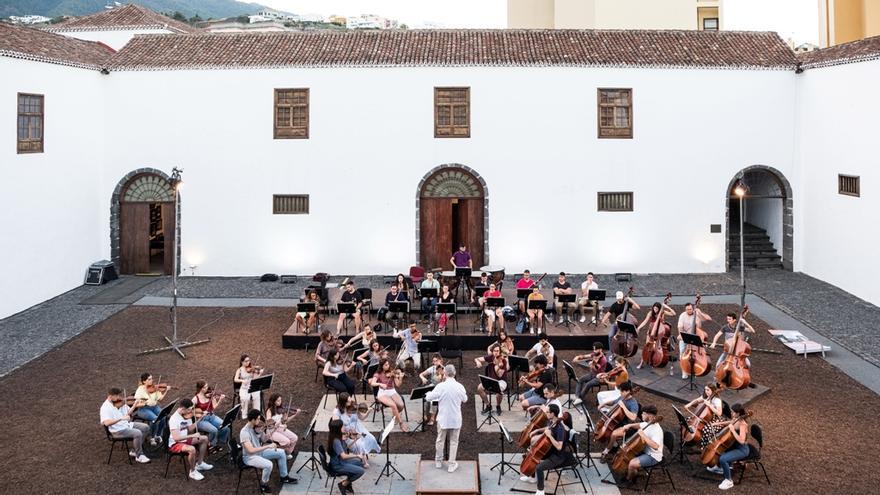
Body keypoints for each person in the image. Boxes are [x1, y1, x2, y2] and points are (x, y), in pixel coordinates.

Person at [519, 404, 575, 495]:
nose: (546, 413)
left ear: (553, 413)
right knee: (531, 454)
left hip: (558, 456)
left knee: (539, 467)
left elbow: (559, 447)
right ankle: (532, 478)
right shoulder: (551, 421)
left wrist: (549, 436)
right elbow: (548, 428)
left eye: (548, 412)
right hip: (550, 450)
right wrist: (537, 430)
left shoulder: (560, 429)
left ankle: (540, 491)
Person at [240, 409, 297, 493]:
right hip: (250, 457)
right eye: (258, 419)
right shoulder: (244, 432)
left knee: (281, 453)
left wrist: (273, 429)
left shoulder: (257, 427)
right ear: (252, 420)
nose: (260, 421)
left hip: (259, 452)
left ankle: (284, 477)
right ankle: (264, 484)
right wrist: (267, 447)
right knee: (269, 465)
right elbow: (251, 450)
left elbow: (263, 439)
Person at [425, 365, 468, 473]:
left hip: (443, 418)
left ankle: (438, 461)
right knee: (454, 442)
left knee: (440, 440)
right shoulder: (460, 386)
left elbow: (429, 397)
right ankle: (451, 464)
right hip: (455, 419)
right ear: (455, 373)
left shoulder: (440, 386)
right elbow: (465, 399)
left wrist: (428, 393)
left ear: (445, 373)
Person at [614, 405, 664, 488]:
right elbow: (639, 425)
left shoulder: (657, 430)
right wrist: (629, 425)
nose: (641, 415)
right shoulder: (647, 423)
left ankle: (629, 480)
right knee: (629, 455)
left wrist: (643, 435)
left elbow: (655, 446)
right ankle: (632, 473)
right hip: (645, 450)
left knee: (632, 464)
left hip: (653, 456)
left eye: (644, 414)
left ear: (650, 416)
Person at [706, 403, 751, 490]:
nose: (731, 413)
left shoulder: (743, 424)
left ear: (738, 413)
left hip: (742, 450)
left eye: (732, 412)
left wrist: (733, 430)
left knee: (723, 459)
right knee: (721, 449)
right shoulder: (736, 418)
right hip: (734, 445)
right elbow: (730, 422)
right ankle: (720, 467)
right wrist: (717, 424)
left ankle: (728, 480)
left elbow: (742, 441)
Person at [100, 388, 151, 464]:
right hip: (117, 430)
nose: (119, 397)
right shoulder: (105, 408)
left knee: (146, 427)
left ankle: (134, 450)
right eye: (117, 396)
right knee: (138, 433)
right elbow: (106, 423)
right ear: (110, 396)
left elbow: (128, 413)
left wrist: (134, 405)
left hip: (126, 425)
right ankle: (139, 455)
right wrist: (120, 418)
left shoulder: (120, 403)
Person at [168, 398, 213, 481]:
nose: (191, 411)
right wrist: (192, 435)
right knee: (192, 449)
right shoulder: (174, 419)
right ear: (183, 409)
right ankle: (192, 471)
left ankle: (199, 463)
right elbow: (176, 438)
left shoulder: (186, 416)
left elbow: (189, 429)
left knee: (205, 439)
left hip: (184, 439)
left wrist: (200, 418)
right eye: (189, 409)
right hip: (175, 443)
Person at [598, 381, 640, 458]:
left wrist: (623, 406)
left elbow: (633, 417)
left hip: (626, 425)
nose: (620, 393)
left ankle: (606, 451)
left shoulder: (633, 403)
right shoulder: (622, 397)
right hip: (616, 421)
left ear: (627, 391)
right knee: (606, 429)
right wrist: (603, 404)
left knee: (613, 434)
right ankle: (614, 445)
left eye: (622, 391)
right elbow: (613, 402)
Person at [369, 358, 408, 432]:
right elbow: (372, 383)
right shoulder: (377, 374)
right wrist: (380, 384)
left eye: (388, 364)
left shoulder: (392, 372)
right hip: (382, 393)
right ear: (382, 366)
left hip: (392, 391)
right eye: (386, 365)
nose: (388, 366)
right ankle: (401, 423)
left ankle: (395, 416)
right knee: (393, 405)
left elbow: (398, 385)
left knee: (401, 405)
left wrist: (400, 378)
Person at [328, 418, 366, 494]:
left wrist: (355, 440)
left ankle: (348, 484)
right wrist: (356, 455)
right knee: (361, 471)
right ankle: (343, 484)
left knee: (360, 464)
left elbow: (346, 448)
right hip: (338, 465)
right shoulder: (336, 441)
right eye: (342, 426)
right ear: (338, 429)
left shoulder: (338, 437)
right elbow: (344, 456)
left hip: (342, 461)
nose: (344, 427)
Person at [635, 301, 676, 369]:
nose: (655, 310)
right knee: (647, 348)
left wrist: (666, 306)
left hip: (660, 333)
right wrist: (638, 328)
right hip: (651, 333)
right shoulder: (650, 313)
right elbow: (645, 321)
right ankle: (641, 362)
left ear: (659, 309)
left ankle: (658, 359)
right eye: (654, 308)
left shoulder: (662, 312)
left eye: (657, 309)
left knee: (666, 343)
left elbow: (673, 313)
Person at [678, 302, 713, 379]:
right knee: (682, 353)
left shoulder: (697, 314)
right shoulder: (682, 315)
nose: (689, 311)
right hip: (686, 336)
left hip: (696, 337)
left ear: (693, 308)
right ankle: (684, 371)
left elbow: (708, 319)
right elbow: (680, 327)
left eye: (690, 309)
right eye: (687, 309)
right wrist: (680, 334)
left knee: (696, 355)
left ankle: (696, 369)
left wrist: (699, 312)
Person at [192, 381, 229, 450]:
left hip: (211, 416)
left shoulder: (210, 395)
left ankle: (219, 441)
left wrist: (220, 399)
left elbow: (214, 407)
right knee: (214, 430)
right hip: (201, 420)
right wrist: (201, 413)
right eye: (205, 387)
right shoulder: (195, 399)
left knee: (225, 426)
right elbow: (190, 411)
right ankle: (212, 445)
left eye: (207, 386)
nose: (207, 388)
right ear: (200, 389)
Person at [685, 383, 724, 449]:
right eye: (705, 389)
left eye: (708, 390)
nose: (706, 391)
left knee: (707, 429)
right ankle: (687, 437)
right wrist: (690, 404)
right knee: (687, 420)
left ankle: (704, 447)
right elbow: (697, 400)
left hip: (714, 419)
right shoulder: (705, 396)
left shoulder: (717, 400)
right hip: (703, 418)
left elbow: (719, 413)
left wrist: (709, 405)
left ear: (713, 390)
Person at [133, 372, 167, 442]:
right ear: (144, 381)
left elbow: (160, 399)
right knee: (155, 419)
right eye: (149, 379)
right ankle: (152, 437)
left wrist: (166, 390)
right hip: (143, 409)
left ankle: (158, 435)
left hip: (154, 407)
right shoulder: (140, 389)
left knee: (163, 416)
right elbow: (136, 404)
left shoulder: (155, 388)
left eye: (151, 379)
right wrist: (144, 403)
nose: (151, 380)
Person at [475, 344, 508, 415]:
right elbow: (477, 358)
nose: (496, 352)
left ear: (500, 351)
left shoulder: (503, 361)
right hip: (491, 379)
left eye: (498, 351)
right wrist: (478, 362)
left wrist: (498, 367)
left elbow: (499, 375)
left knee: (499, 390)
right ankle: (488, 405)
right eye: (494, 351)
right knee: (479, 388)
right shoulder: (491, 357)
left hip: (501, 381)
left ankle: (498, 406)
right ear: (492, 351)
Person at [264, 393, 300, 459]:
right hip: (271, 431)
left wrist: (295, 415)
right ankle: (277, 450)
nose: (280, 402)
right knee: (287, 442)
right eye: (278, 400)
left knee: (294, 438)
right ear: (273, 401)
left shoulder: (281, 409)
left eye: (280, 400)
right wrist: (276, 425)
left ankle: (287, 452)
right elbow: (269, 425)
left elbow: (285, 421)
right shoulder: (269, 411)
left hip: (280, 428)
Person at [235, 354, 263, 418]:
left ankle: (257, 413)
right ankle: (244, 414)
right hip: (244, 388)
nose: (248, 362)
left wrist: (260, 374)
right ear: (242, 362)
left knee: (256, 396)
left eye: (249, 361)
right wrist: (242, 381)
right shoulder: (239, 370)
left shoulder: (252, 368)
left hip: (252, 386)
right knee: (245, 399)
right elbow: (235, 379)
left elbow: (255, 379)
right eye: (246, 361)